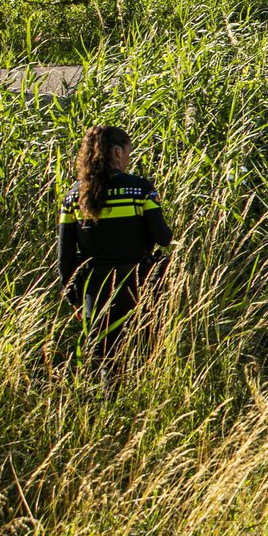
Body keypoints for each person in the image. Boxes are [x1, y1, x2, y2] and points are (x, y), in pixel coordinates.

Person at [58, 126, 173, 364]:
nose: (129, 158)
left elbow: (64, 258)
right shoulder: (140, 190)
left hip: (95, 291)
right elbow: (164, 238)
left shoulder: (73, 197)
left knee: (106, 366)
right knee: (141, 361)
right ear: (118, 152)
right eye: (129, 152)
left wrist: (73, 299)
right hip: (138, 287)